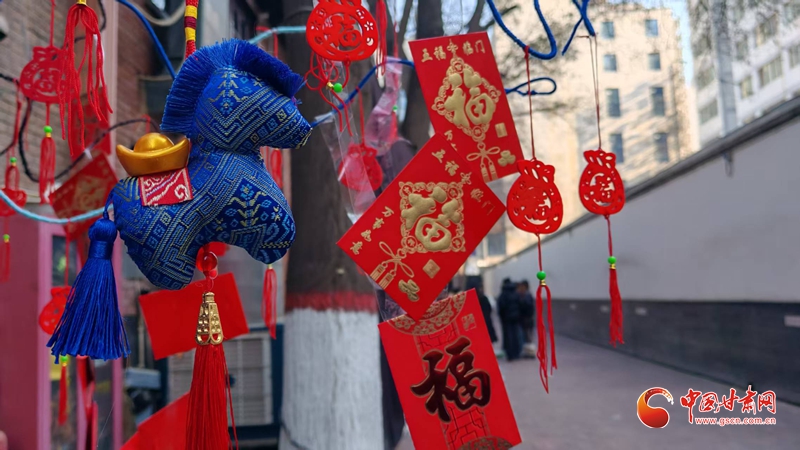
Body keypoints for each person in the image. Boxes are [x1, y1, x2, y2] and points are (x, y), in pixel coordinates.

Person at [497, 278, 524, 361]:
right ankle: (516, 353)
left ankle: (510, 354)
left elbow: (501, 307)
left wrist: (502, 317)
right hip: (516, 318)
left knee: (508, 336)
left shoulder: (503, 294)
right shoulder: (516, 293)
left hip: (507, 319)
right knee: (515, 335)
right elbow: (521, 305)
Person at [517, 280, 535, 357]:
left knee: (527, 337)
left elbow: (528, 308)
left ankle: (529, 353)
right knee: (525, 336)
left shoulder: (527, 296)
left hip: (527, 320)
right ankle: (527, 352)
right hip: (524, 320)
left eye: (522, 287)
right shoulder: (524, 295)